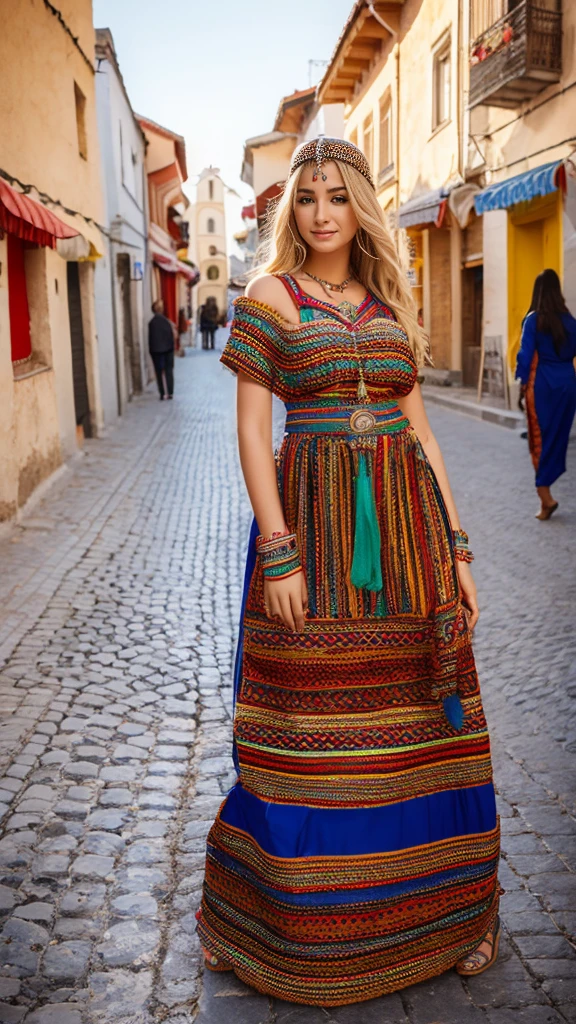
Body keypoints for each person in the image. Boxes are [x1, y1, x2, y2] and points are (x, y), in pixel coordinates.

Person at [195, 137, 502, 1006]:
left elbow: (426, 436)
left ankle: (453, 915)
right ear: (288, 209)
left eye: (337, 197)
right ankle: (275, 921)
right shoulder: (269, 296)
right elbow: (255, 433)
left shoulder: (390, 304)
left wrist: (460, 549)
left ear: (360, 205)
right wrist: (278, 549)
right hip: (315, 545)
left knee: (425, 727)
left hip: (411, 543)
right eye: (306, 199)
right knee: (303, 730)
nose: (322, 214)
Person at [516, 269, 576, 520]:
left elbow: (525, 355)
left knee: (541, 437)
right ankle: (546, 493)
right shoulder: (570, 321)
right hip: (568, 384)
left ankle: (545, 496)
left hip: (543, 386)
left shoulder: (533, 320)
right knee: (557, 438)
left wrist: (521, 384)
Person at [148, 299, 174, 400]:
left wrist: (151, 351)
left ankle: (162, 393)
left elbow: (150, 339)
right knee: (168, 371)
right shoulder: (166, 322)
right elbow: (171, 336)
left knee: (159, 372)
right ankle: (170, 392)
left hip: (156, 351)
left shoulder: (152, 323)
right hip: (168, 350)